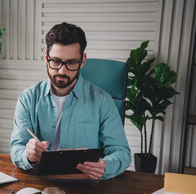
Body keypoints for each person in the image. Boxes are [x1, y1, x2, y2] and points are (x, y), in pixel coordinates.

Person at [10, 22, 131, 180]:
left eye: (71, 63)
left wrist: (106, 166)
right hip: (40, 183)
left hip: (85, 184)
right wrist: (28, 155)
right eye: (56, 61)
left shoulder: (103, 101)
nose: (62, 71)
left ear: (82, 60)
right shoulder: (28, 98)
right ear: (46, 57)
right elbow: (16, 149)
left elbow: (122, 153)